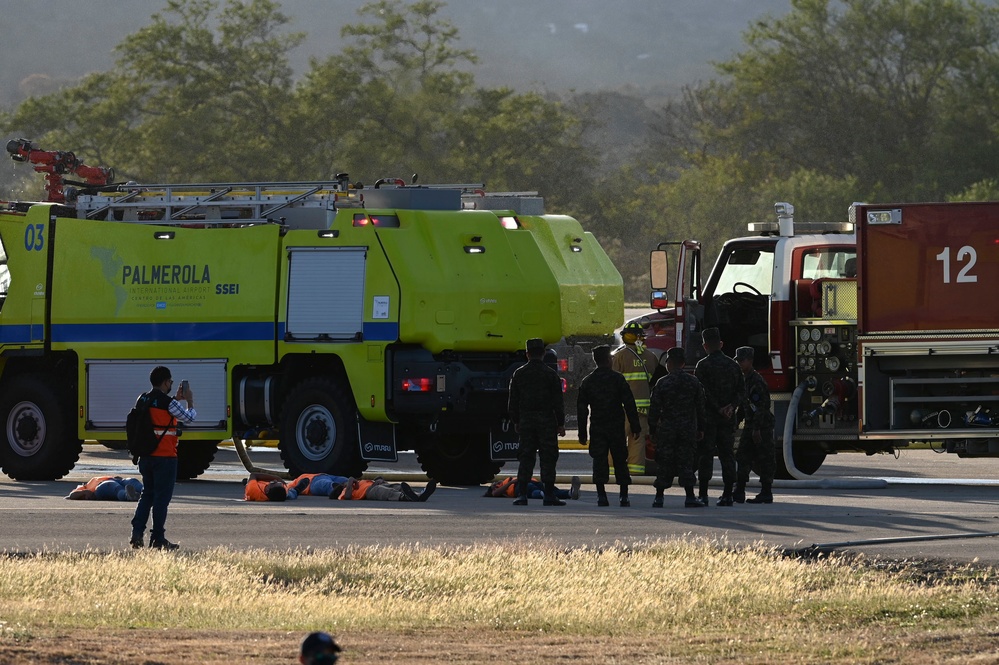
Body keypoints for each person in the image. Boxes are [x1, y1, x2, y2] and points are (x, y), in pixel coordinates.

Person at [129, 366, 196, 550]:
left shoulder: (143, 398)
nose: (171, 384)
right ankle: (157, 538)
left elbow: (158, 412)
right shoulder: (168, 403)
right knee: (161, 499)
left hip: (146, 456)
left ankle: (136, 533)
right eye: (171, 382)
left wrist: (175, 399)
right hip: (165, 457)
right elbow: (189, 418)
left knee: (147, 495)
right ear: (166, 382)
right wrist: (189, 401)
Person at [577, 344, 641, 507]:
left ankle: (601, 496)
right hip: (616, 428)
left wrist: (582, 433)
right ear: (607, 359)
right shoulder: (618, 379)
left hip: (598, 428)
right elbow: (629, 404)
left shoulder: (588, 381)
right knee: (620, 460)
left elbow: (581, 409)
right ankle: (624, 496)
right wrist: (635, 426)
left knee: (599, 461)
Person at [508, 337, 567, 506]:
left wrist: (516, 421)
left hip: (526, 422)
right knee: (548, 458)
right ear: (543, 354)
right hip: (547, 422)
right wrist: (560, 423)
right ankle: (549, 494)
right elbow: (558, 402)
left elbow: (512, 402)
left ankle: (522, 495)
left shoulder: (519, 374)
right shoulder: (550, 374)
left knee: (526, 457)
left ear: (527, 354)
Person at [648, 347, 706, 508]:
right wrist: (701, 428)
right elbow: (701, 408)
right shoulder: (693, 382)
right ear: (683, 363)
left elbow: (654, 408)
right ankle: (690, 497)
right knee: (686, 462)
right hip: (687, 430)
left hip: (667, 430)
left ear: (669, 363)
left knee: (664, 463)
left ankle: (659, 497)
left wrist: (652, 430)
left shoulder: (662, 382)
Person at [694, 328, 744, 506]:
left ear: (705, 345)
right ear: (721, 344)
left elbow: (701, 393)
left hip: (709, 419)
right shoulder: (733, 365)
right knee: (727, 455)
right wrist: (731, 407)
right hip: (727, 419)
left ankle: (704, 494)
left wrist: (717, 408)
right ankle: (728, 494)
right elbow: (741, 391)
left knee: (705, 455)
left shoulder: (702, 365)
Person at [611, 321, 657, 477]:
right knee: (638, 441)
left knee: (616, 440)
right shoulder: (650, 357)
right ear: (641, 337)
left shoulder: (617, 357)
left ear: (624, 337)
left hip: (622, 409)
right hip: (643, 409)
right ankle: (635, 473)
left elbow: (611, 384)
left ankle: (612, 472)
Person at [734, 346, 777, 504]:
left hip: (761, 426)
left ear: (750, 361)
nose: (739, 363)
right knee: (742, 456)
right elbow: (744, 404)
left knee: (765, 458)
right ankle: (739, 491)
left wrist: (757, 429)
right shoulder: (743, 379)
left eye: (742, 360)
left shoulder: (756, 381)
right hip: (751, 425)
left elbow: (762, 407)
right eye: (737, 360)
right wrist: (736, 421)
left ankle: (766, 491)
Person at [243, 472, 350, 501]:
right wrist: (276, 478)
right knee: (325, 485)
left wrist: (276, 480)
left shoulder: (254, 488)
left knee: (346, 480)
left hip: (323, 476)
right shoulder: (286, 488)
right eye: (274, 482)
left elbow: (252, 476)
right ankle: (338, 489)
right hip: (312, 484)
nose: (274, 481)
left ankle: (347, 486)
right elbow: (253, 474)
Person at [333, 477, 437, 502]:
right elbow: (346, 496)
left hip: (375, 485)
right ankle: (404, 497)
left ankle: (419, 495)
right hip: (370, 492)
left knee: (398, 486)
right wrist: (350, 481)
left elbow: (374, 481)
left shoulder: (359, 482)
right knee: (387, 492)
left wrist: (379, 479)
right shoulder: (344, 491)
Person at [484, 475, 581, 501]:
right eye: (494, 485)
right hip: (519, 486)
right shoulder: (500, 489)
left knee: (551, 489)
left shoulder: (505, 481)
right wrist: (512, 482)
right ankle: (542, 494)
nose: (496, 483)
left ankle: (570, 493)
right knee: (533, 491)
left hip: (530, 481)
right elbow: (495, 494)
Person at [67, 476, 142, 501]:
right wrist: (83, 492)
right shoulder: (84, 487)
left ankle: (149, 490)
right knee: (115, 488)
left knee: (132, 481)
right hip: (101, 487)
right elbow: (71, 495)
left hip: (117, 480)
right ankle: (128, 495)